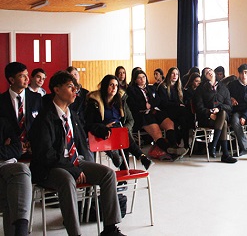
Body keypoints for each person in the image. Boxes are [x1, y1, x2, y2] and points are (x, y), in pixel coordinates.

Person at [29, 71, 125, 236]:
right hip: (49, 168)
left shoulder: (71, 115)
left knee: (108, 174)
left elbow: (82, 142)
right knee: (67, 180)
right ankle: (75, 233)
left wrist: (85, 164)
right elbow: (46, 155)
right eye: (70, 87)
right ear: (57, 89)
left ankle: (110, 229)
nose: (75, 91)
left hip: (73, 162)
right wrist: (74, 169)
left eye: (76, 88)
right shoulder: (44, 119)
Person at [85, 75, 153, 170]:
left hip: (120, 132)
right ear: (105, 86)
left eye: (116, 85)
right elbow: (88, 123)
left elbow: (130, 120)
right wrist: (104, 126)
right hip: (102, 133)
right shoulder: (94, 102)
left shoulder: (121, 101)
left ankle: (119, 160)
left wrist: (125, 129)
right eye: (111, 85)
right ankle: (140, 156)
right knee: (120, 134)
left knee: (121, 133)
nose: (114, 88)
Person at [126, 70, 183, 161]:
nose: (142, 79)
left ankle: (174, 146)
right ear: (135, 80)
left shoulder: (151, 88)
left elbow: (158, 100)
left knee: (169, 123)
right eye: (139, 78)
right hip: (142, 114)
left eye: (144, 77)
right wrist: (145, 105)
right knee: (157, 131)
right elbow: (133, 104)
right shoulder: (132, 90)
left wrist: (150, 104)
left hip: (154, 111)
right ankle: (169, 151)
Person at [0, 62, 42, 160]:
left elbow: (41, 124)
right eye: (22, 76)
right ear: (12, 80)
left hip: (33, 152)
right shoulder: (2, 101)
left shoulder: (36, 98)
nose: (27, 79)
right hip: (10, 154)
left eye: (27, 75)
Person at [194, 68, 237, 163]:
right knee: (224, 123)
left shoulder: (224, 88)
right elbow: (199, 107)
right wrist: (209, 112)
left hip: (221, 115)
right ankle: (225, 154)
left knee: (222, 112)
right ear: (204, 77)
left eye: (210, 70)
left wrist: (219, 108)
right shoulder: (201, 89)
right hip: (206, 118)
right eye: (206, 72)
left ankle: (213, 144)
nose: (209, 72)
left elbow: (229, 106)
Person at [0, 117, 32, 236]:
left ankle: (21, 231)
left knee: (22, 169)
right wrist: (6, 149)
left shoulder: (2, 120)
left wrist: (6, 149)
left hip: (6, 167)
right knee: (13, 192)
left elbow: (18, 148)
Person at [157, 67, 190, 150]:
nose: (175, 75)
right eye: (173, 73)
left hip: (178, 111)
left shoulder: (178, 87)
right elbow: (164, 103)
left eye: (177, 74)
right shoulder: (162, 87)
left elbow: (182, 100)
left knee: (183, 120)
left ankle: (183, 144)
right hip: (166, 111)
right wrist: (178, 105)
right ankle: (184, 144)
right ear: (169, 75)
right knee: (183, 115)